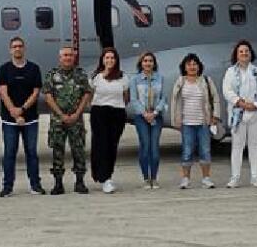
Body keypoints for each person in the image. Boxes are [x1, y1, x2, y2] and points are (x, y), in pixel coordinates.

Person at [0, 36, 44, 197]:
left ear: (24, 49)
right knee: (9, 153)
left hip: (30, 119)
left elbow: (36, 92)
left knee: (31, 152)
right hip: (10, 120)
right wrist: (14, 112)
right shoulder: (4, 69)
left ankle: (35, 185)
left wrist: (22, 109)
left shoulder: (34, 68)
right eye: (14, 46)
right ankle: (7, 186)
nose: (17, 49)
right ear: (10, 49)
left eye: (20, 46)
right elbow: (2, 92)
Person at [43, 45, 92, 195]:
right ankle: (58, 183)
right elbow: (48, 96)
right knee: (58, 150)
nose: (68, 58)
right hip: (58, 120)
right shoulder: (52, 74)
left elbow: (86, 94)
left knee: (78, 151)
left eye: (70, 55)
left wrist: (77, 113)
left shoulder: (81, 74)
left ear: (74, 57)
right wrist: (61, 114)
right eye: (65, 55)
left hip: (76, 119)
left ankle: (80, 182)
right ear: (60, 58)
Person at [223, 39, 257, 188]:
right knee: (237, 146)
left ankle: (255, 177)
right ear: (236, 55)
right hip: (238, 113)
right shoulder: (230, 72)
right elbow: (227, 91)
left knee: (254, 145)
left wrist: (255, 105)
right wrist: (241, 103)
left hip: (255, 114)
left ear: (251, 54)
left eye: (246, 51)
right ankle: (235, 177)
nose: (244, 53)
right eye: (241, 51)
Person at [170, 52, 219, 190]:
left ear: (199, 66)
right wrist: (176, 120)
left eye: (194, 64)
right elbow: (174, 102)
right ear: (184, 67)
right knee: (187, 151)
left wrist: (215, 116)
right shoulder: (180, 82)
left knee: (205, 150)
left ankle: (206, 178)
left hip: (203, 122)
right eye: (189, 64)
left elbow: (215, 98)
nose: (192, 67)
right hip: (187, 123)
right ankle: (185, 178)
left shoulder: (206, 81)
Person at [89, 47, 129, 193]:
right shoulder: (96, 77)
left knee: (112, 145)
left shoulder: (123, 77)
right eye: (107, 58)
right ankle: (101, 175)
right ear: (102, 60)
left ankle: (108, 177)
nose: (110, 60)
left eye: (112, 58)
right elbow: (90, 96)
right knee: (100, 144)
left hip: (117, 112)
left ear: (116, 60)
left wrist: (118, 106)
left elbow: (126, 97)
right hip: (99, 112)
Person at [128, 50, 166, 189]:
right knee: (145, 145)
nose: (148, 63)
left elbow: (163, 98)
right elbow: (133, 99)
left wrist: (155, 112)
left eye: (150, 61)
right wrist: (145, 113)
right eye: (145, 61)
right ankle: (145, 178)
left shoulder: (160, 78)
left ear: (154, 63)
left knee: (154, 147)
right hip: (141, 117)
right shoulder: (135, 79)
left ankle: (154, 178)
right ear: (141, 63)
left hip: (156, 116)